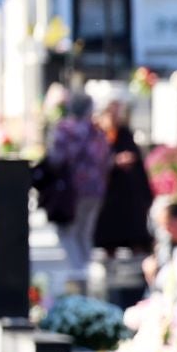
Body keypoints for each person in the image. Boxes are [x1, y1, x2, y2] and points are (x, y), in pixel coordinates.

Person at [41, 93, 112, 292]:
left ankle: (78, 272)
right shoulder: (96, 131)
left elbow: (56, 158)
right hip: (96, 189)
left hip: (71, 190)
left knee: (68, 232)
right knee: (84, 233)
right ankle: (85, 273)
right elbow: (106, 159)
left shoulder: (65, 129)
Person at [94, 99, 154, 257]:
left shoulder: (125, 134)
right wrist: (113, 161)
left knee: (134, 231)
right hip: (108, 191)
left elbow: (137, 161)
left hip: (128, 192)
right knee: (109, 234)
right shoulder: (98, 134)